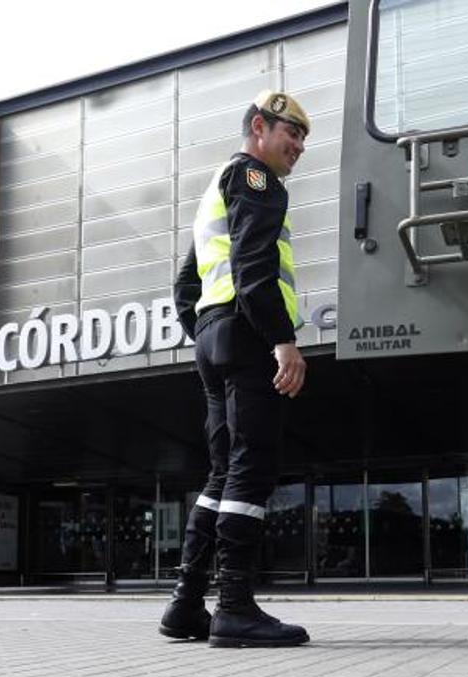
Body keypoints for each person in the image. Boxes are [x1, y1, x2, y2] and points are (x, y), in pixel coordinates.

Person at [160, 89, 310, 648]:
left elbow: (184, 284)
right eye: (289, 133)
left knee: (222, 473)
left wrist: (203, 330)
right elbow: (253, 266)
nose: (298, 146)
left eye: (302, 138)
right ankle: (236, 608)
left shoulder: (215, 187)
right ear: (258, 128)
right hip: (248, 337)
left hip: (214, 336)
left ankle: (184, 605)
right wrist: (282, 341)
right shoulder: (257, 181)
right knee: (251, 469)